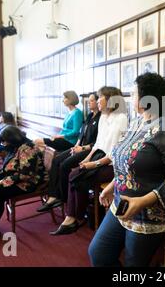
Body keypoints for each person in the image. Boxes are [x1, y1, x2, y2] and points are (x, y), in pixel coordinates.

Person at [88, 73, 165, 267]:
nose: (130, 97)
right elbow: (125, 162)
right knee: (98, 253)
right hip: (122, 204)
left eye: (133, 93)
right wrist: (111, 186)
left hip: (150, 214)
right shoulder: (136, 123)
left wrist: (142, 201)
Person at [49, 86, 128, 235]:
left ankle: (74, 217)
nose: (98, 101)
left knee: (75, 176)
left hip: (112, 165)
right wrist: (86, 159)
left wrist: (94, 164)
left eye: (100, 98)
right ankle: (73, 217)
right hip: (99, 156)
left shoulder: (121, 118)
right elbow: (98, 144)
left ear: (110, 99)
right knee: (75, 174)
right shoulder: (104, 116)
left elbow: (115, 152)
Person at [36, 93, 101, 212]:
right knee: (56, 160)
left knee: (64, 165)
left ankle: (62, 197)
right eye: (89, 100)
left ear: (98, 102)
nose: (89, 102)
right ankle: (53, 195)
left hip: (90, 150)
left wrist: (81, 148)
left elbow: (96, 140)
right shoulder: (90, 115)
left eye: (92, 100)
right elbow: (81, 134)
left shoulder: (100, 117)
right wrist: (76, 145)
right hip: (78, 146)